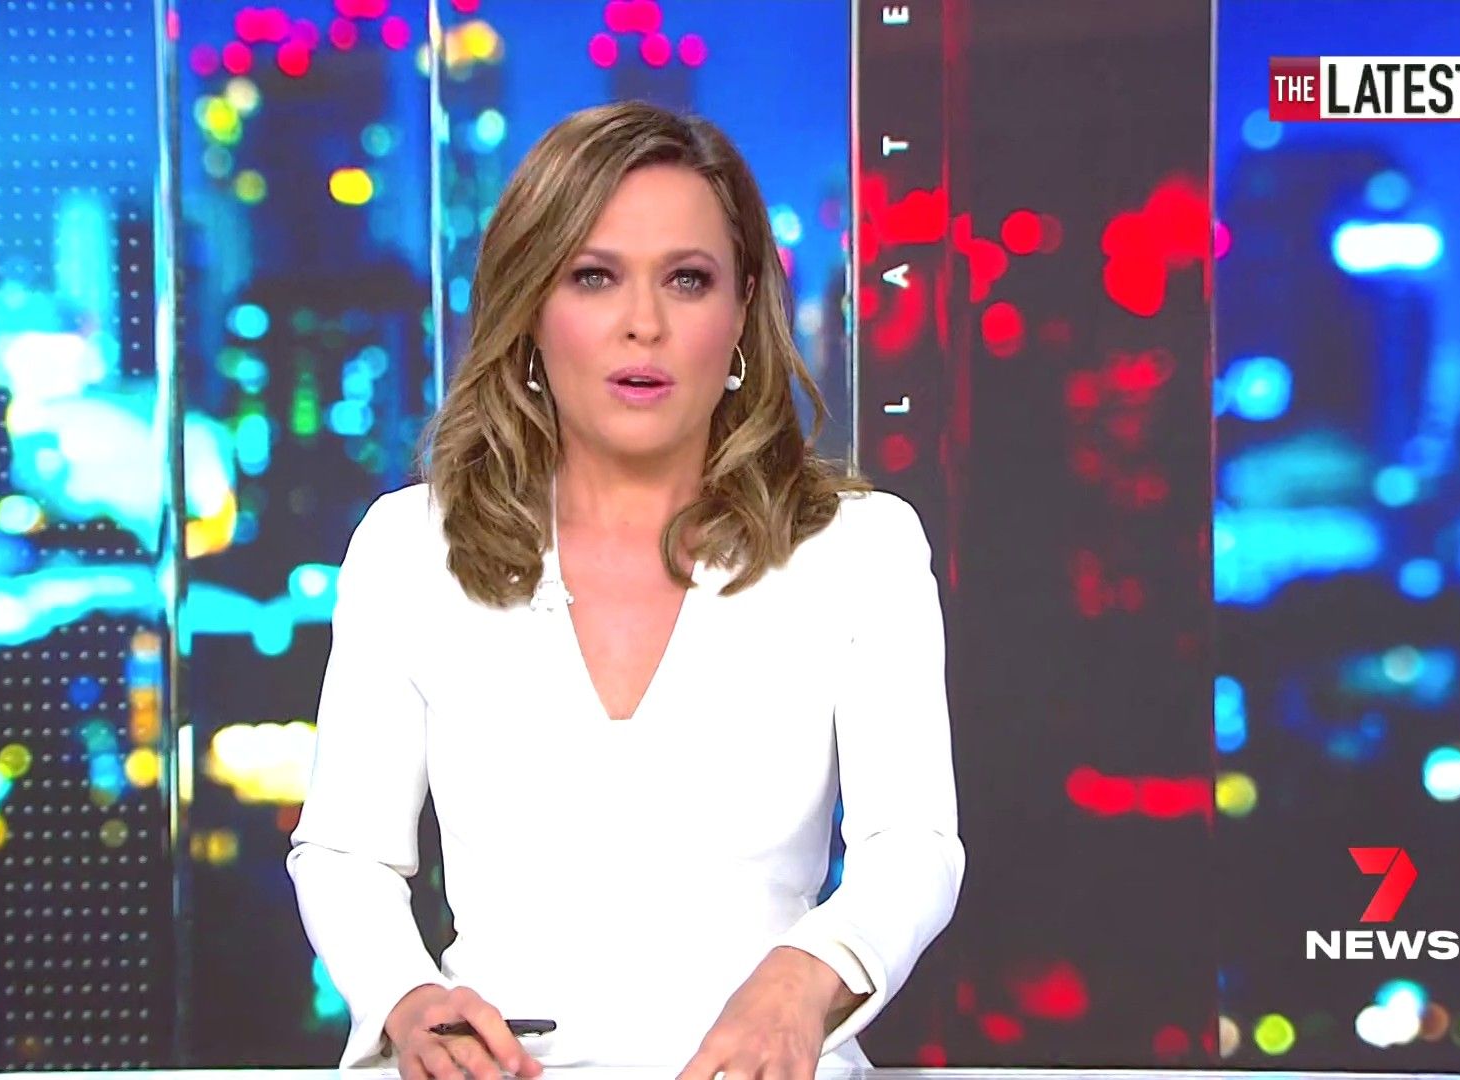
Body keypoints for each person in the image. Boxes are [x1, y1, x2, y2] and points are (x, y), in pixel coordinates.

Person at [286, 100, 963, 1080]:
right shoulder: (409, 548)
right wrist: (408, 997)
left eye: (687, 279)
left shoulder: (861, 549)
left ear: (741, 311)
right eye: (594, 276)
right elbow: (344, 852)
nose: (643, 324)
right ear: (530, 307)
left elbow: (914, 846)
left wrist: (809, 975)